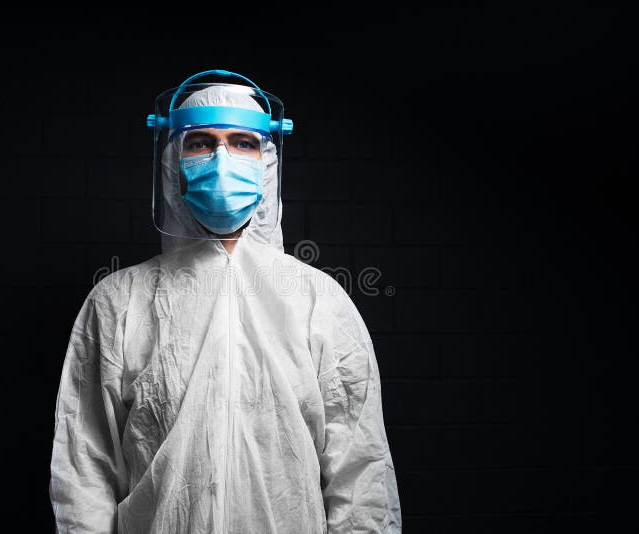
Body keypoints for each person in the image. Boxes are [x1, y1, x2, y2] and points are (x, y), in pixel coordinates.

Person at [48, 70, 402, 533]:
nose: (221, 158)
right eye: (199, 143)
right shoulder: (118, 303)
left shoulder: (317, 301)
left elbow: (361, 473)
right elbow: (84, 468)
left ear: (267, 161)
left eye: (242, 142)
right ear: (172, 159)